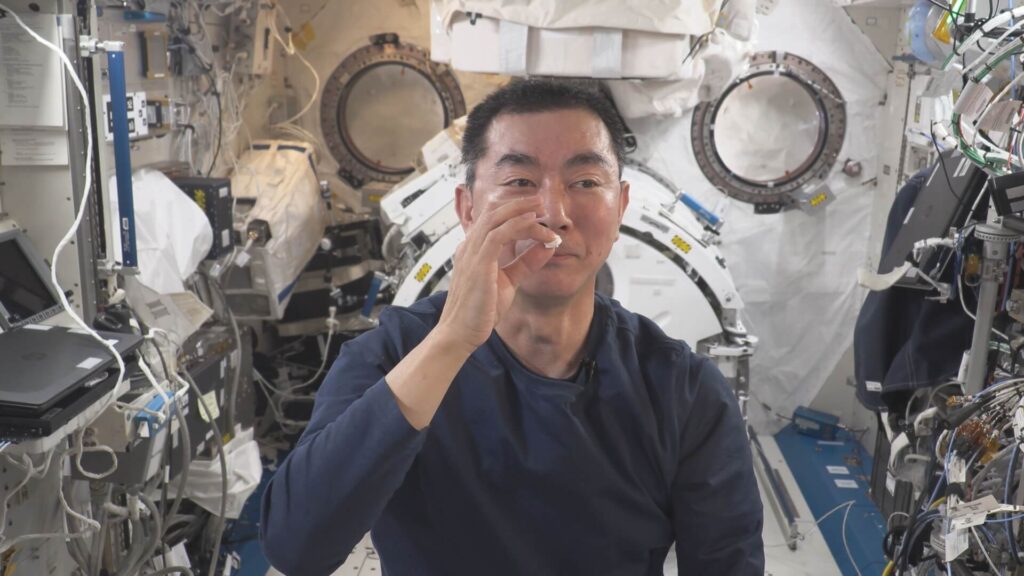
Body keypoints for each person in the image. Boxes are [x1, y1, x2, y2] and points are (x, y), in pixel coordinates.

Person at [260, 79, 764, 576]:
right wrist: (452, 340)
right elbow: (296, 547)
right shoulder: (394, 355)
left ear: (621, 207)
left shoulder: (682, 390)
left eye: (585, 182)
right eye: (520, 181)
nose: (554, 214)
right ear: (467, 209)